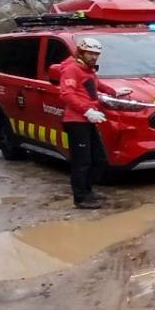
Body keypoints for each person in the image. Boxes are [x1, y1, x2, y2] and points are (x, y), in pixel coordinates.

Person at [58, 37, 123, 209]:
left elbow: (95, 84)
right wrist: (87, 110)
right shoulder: (72, 69)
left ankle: (88, 191)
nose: (94, 57)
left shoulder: (87, 70)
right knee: (82, 161)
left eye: (96, 54)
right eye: (90, 53)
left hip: (88, 119)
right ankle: (81, 197)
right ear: (81, 52)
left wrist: (114, 92)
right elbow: (67, 94)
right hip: (76, 121)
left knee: (98, 158)